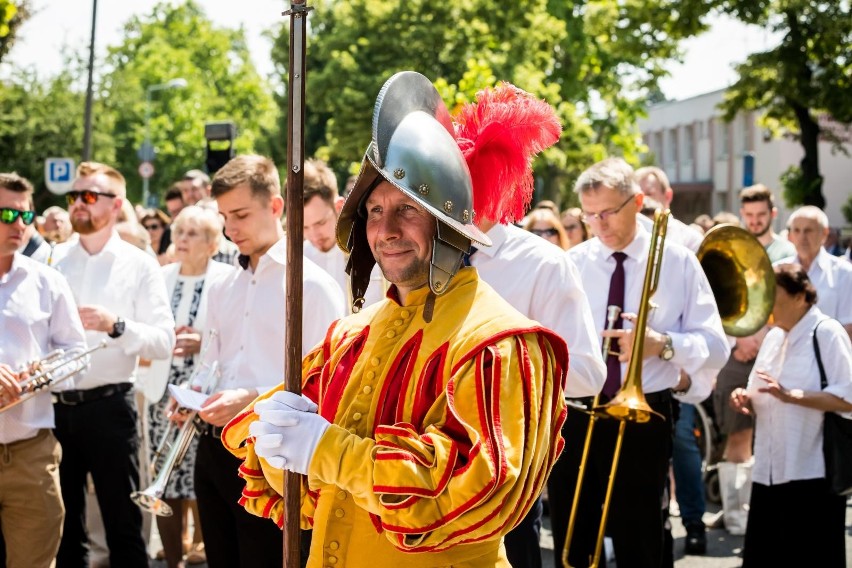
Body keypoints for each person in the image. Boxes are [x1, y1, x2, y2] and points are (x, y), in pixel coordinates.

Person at [223, 71, 568, 568]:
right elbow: (311, 498)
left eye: (408, 209)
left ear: (447, 222)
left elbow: (474, 491)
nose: (386, 229)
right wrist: (278, 449)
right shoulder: (349, 335)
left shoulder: (499, 342)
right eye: (374, 210)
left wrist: (326, 450)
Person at [454, 81, 605, 568]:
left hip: (506, 477)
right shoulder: (421, 254)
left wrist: (496, 371)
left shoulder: (544, 264)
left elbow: (586, 372)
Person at [550, 157, 729, 568]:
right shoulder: (574, 262)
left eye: (609, 212)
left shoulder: (678, 261)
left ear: (638, 201)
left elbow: (715, 346)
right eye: (590, 215)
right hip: (579, 411)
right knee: (573, 536)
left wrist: (661, 345)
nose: (600, 224)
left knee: (641, 536)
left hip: (646, 412)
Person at [190, 154, 345, 568]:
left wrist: (253, 397)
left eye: (240, 214)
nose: (229, 229)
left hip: (274, 458)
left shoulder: (314, 286)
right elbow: (215, 359)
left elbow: (326, 384)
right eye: (224, 216)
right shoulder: (223, 284)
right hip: (215, 448)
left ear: (276, 207)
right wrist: (194, 390)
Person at [52, 161, 176, 568]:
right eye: (74, 197)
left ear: (116, 203)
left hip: (110, 407)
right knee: (63, 531)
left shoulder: (139, 264)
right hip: (53, 409)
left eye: (89, 196)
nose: (78, 205)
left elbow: (163, 341)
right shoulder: (53, 261)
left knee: (123, 527)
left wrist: (116, 326)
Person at [730, 264, 852, 567]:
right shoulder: (772, 337)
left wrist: (793, 396)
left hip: (812, 474)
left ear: (801, 297)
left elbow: (849, 397)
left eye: (774, 294)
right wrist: (744, 397)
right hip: (768, 471)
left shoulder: (827, 332)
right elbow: (760, 393)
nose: (766, 302)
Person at [0, 173, 88, 568]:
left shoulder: (47, 280)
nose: (19, 225)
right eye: (6, 214)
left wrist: (37, 378)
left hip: (30, 451)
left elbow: (78, 354)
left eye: (25, 214)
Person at [143, 206, 235, 568]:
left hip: (206, 394)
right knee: (162, 476)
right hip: (163, 393)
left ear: (213, 243)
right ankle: (172, 559)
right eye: (179, 231)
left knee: (201, 479)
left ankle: (207, 551)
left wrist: (202, 342)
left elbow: (232, 334)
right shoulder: (161, 276)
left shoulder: (226, 277)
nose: (181, 239)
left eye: (192, 233)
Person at [636, 165, 710, 556]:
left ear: (667, 197)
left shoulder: (688, 239)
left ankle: (694, 523)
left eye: (652, 193)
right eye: (639, 193)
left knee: (683, 445)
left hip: (673, 362)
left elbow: (705, 304)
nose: (645, 200)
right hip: (637, 366)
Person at [301, 158, 384, 311]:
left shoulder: (374, 250)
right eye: (304, 227)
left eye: (320, 223)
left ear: (339, 207)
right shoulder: (299, 261)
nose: (314, 235)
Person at [779, 205, 852, 338]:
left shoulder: (844, 273)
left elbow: (848, 327)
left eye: (808, 230)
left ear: (824, 233)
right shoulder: (778, 270)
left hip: (827, 356)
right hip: (786, 355)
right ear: (790, 235)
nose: (802, 237)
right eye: (797, 230)